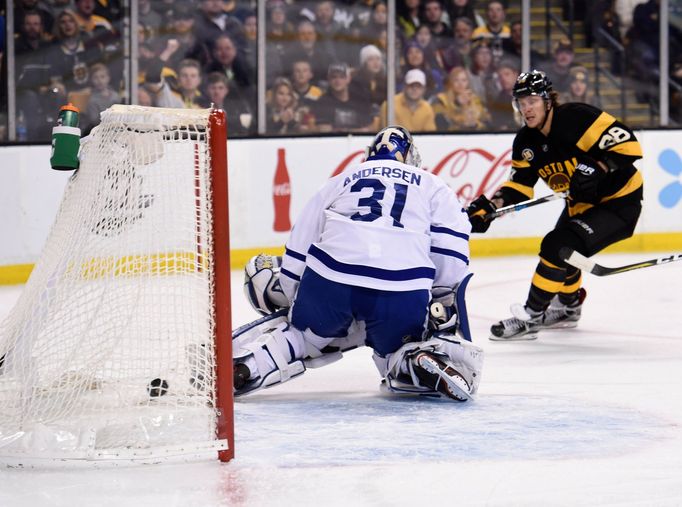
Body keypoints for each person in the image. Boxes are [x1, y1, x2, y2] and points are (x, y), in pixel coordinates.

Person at [233, 126, 483, 401]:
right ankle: (413, 360)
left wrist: (294, 296)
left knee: (302, 337)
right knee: (394, 351)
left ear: (370, 154)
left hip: (331, 277)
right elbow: (451, 248)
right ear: (411, 157)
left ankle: (247, 367)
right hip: (402, 285)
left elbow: (301, 239)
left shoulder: (342, 179)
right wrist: (441, 300)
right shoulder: (434, 185)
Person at [466, 70, 643, 340]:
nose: (526, 109)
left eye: (532, 101)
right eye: (521, 103)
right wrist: (493, 206)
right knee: (566, 249)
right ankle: (569, 307)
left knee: (557, 246)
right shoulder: (526, 142)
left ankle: (532, 316)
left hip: (619, 203)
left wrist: (599, 166)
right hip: (580, 206)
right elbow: (520, 186)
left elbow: (629, 146)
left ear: (548, 100)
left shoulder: (578, 118)